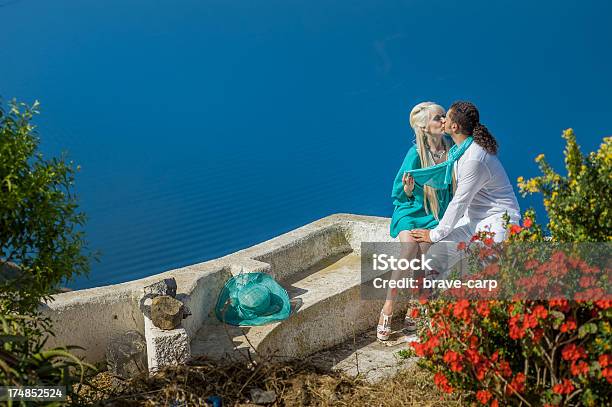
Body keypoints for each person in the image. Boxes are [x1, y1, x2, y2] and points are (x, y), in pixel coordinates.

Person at [410, 101, 521, 274]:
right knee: (435, 255)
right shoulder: (459, 152)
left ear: (454, 126)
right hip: (472, 221)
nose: (442, 120)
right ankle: (430, 297)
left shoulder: (474, 158)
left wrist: (433, 234)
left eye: (445, 116)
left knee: (489, 275)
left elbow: (459, 202)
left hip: (497, 221)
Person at [377, 101, 454, 341]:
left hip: (434, 213)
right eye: (437, 118)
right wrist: (409, 190)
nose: (443, 121)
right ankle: (388, 306)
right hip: (411, 210)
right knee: (409, 246)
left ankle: (414, 302)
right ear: (424, 128)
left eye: (444, 117)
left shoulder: (452, 149)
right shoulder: (415, 154)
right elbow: (399, 193)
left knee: (422, 250)